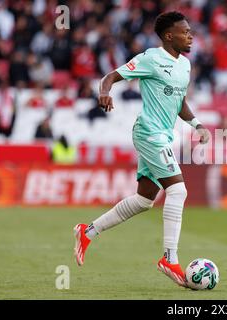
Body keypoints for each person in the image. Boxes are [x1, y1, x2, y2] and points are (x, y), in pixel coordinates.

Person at [73, 12, 209, 288]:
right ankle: (169, 258)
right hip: (149, 133)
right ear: (169, 36)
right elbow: (111, 76)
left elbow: (179, 101)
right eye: (185, 32)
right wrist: (104, 92)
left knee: (145, 200)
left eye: (191, 31)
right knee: (178, 190)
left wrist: (196, 124)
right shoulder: (151, 58)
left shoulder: (184, 65)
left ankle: (88, 231)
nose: (190, 35)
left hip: (163, 136)